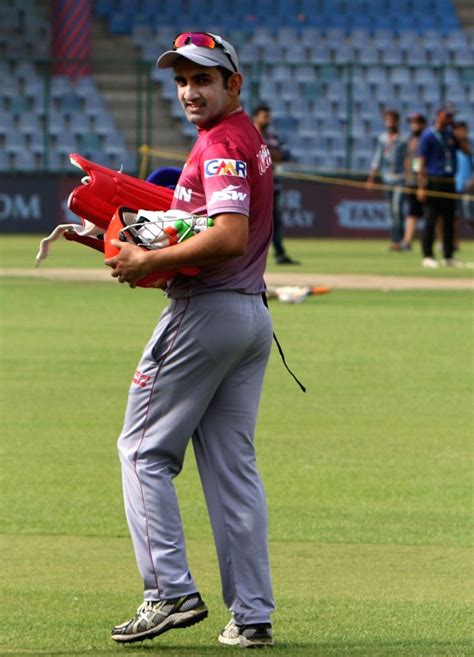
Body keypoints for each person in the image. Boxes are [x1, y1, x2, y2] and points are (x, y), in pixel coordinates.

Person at [105, 32, 275, 648]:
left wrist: (150, 263)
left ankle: (168, 591)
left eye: (202, 78)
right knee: (233, 472)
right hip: (249, 314)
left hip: (206, 312)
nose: (188, 91)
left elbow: (228, 235)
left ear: (234, 83)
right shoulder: (242, 138)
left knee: (142, 450)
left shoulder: (225, 143)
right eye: (181, 79)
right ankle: (252, 614)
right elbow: (211, 224)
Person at [417, 105, 472, 268]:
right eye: (447, 116)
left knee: (449, 219)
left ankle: (448, 255)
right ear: (439, 116)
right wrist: (421, 186)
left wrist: (460, 137)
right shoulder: (428, 135)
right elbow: (422, 162)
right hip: (434, 180)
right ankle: (427, 255)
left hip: (449, 181)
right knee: (431, 219)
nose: (450, 120)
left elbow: (468, 152)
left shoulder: (450, 134)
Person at [252, 103, 300, 265]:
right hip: (252, 188)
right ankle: (250, 256)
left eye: (268, 116)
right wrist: (270, 154)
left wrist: (264, 152)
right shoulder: (249, 135)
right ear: (256, 117)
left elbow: (285, 155)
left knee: (276, 222)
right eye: (265, 115)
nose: (268, 119)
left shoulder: (274, 138)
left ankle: (279, 253)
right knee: (253, 222)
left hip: (273, 185)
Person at [367, 108, 407, 251]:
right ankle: (395, 240)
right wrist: (371, 178)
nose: (389, 122)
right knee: (390, 211)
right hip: (387, 178)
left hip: (400, 178)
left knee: (397, 209)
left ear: (397, 121)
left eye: (392, 119)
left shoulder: (403, 139)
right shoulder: (382, 138)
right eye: (387, 119)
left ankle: (400, 240)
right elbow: (377, 158)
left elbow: (409, 158)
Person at [399, 112, 427, 251]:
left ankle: (441, 243)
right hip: (411, 181)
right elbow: (407, 159)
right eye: (412, 122)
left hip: (426, 181)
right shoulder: (410, 139)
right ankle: (407, 241)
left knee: (434, 214)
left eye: (416, 122)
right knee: (412, 212)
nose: (414, 125)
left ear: (423, 123)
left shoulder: (427, 138)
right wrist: (406, 176)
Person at [453, 120, 474, 247]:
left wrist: (472, 181)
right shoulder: (451, 145)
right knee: (453, 217)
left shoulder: (470, 145)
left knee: (469, 217)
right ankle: (454, 243)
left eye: (462, 129)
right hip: (453, 186)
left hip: (468, 188)